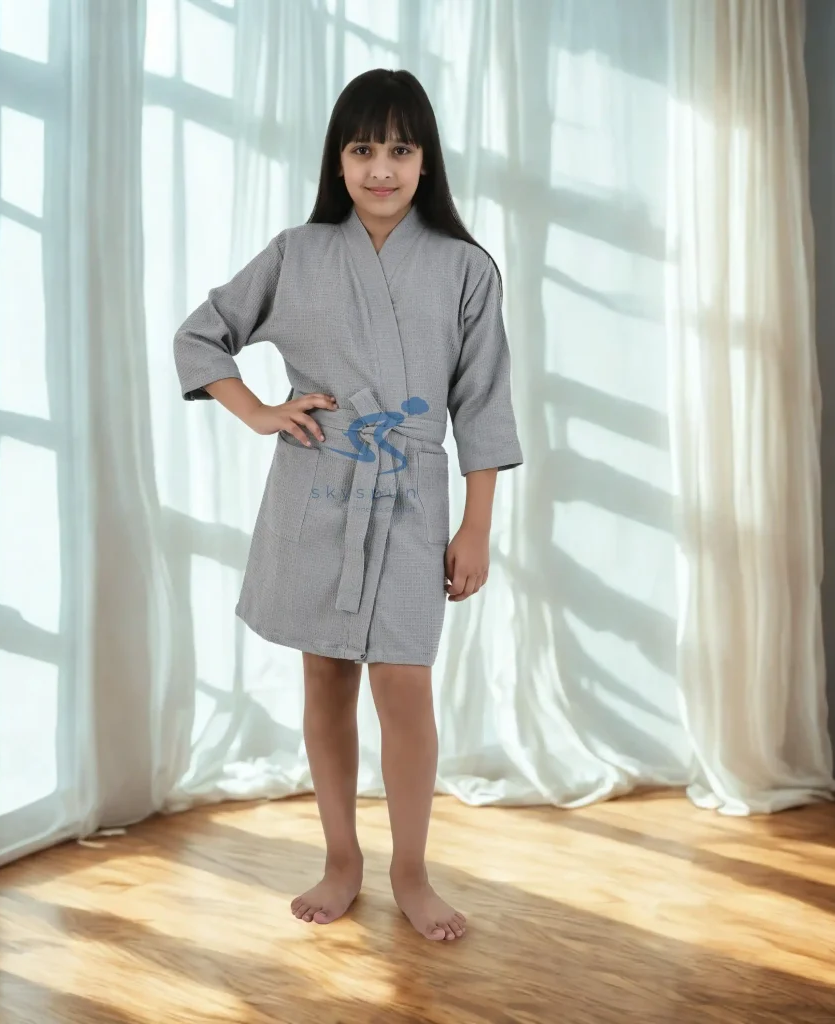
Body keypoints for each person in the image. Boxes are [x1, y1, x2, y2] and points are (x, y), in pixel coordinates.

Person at [173, 68, 523, 942]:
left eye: (400, 150)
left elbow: (483, 404)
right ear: (337, 160)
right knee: (325, 679)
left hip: (411, 498)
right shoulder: (297, 253)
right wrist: (259, 411)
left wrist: (477, 526)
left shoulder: (466, 268)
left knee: (404, 686)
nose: (381, 168)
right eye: (363, 149)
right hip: (316, 489)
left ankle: (411, 870)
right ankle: (341, 860)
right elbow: (203, 334)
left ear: (426, 162)